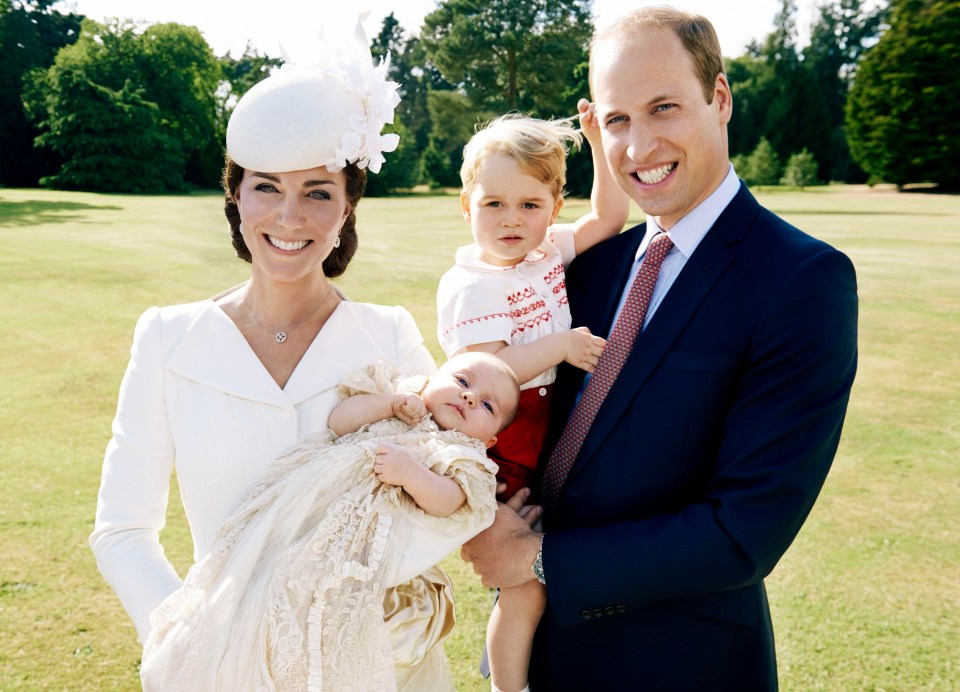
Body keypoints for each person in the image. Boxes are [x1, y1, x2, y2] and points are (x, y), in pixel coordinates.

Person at [461, 7, 859, 690]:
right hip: (540, 656)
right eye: (617, 120)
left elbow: (743, 530)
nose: (639, 145)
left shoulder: (801, 280)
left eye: (664, 108)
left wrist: (537, 559)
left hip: (677, 662)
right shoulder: (586, 267)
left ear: (721, 98)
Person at [90, 20, 467, 688]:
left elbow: (440, 500)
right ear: (235, 196)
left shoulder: (391, 337)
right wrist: (194, 647)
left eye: (318, 193)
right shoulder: (167, 338)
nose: (289, 218)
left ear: (348, 208)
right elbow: (121, 529)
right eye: (266, 186)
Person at [140, 353, 521, 690]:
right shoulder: (402, 397)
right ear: (432, 378)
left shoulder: (463, 455)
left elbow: (450, 500)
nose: (470, 396)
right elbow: (340, 421)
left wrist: (413, 475)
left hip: (356, 539)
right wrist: (388, 403)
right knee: (263, 575)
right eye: (462, 381)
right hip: (306, 506)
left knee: (322, 602)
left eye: (488, 405)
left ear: (489, 441)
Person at [435, 112, 629, 691]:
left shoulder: (547, 252)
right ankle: (508, 686)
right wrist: (561, 346)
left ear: (552, 207)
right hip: (500, 441)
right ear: (467, 206)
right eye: (493, 204)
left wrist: (598, 142)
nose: (512, 220)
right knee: (524, 581)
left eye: (529, 204)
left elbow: (611, 217)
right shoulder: (474, 284)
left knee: (551, 566)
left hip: (544, 428)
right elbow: (486, 377)